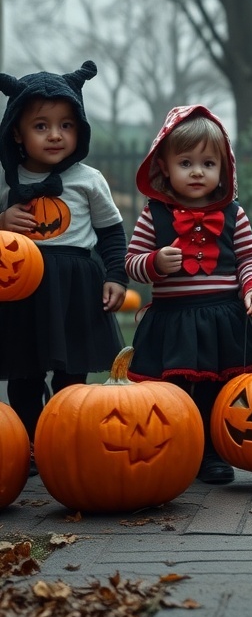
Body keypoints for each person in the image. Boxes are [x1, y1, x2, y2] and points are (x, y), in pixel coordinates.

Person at [125, 105, 252, 485]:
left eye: (208, 163)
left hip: (223, 316)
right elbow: (131, 262)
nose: (196, 171)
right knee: (171, 390)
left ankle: (212, 452)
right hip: (173, 318)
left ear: (224, 169)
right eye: (185, 162)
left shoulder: (234, 214)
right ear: (165, 167)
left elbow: (250, 259)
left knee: (216, 389)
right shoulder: (153, 214)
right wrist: (155, 262)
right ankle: (174, 449)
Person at [0, 62, 127, 472]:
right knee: (24, 371)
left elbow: (111, 233)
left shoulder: (88, 179)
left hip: (75, 287)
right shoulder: (6, 183)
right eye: (41, 126)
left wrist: (115, 276)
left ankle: (65, 436)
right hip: (22, 290)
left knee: (72, 372)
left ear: (80, 129)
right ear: (17, 132)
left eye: (66, 125)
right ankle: (30, 444)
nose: (55, 135)